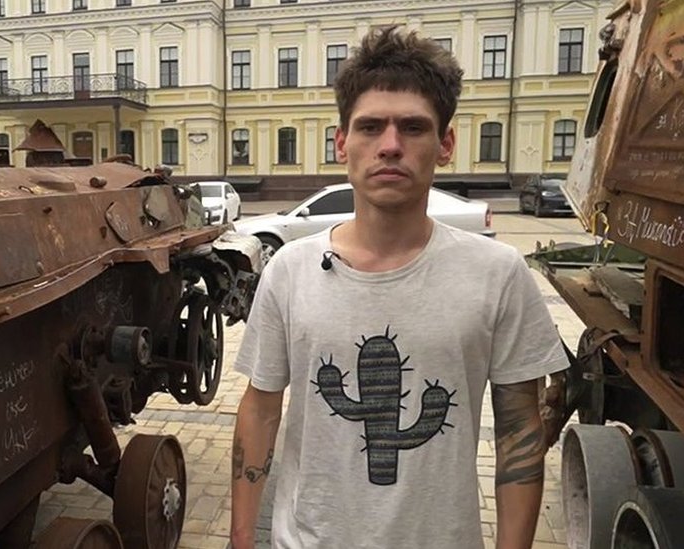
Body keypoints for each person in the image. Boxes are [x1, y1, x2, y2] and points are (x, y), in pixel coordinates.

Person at [230, 25, 569, 549]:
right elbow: (260, 408)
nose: (390, 146)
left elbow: (519, 436)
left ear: (445, 143)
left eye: (413, 127)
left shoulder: (499, 273)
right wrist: (240, 538)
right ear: (342, 143)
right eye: (370, 127)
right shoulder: (289, 269)